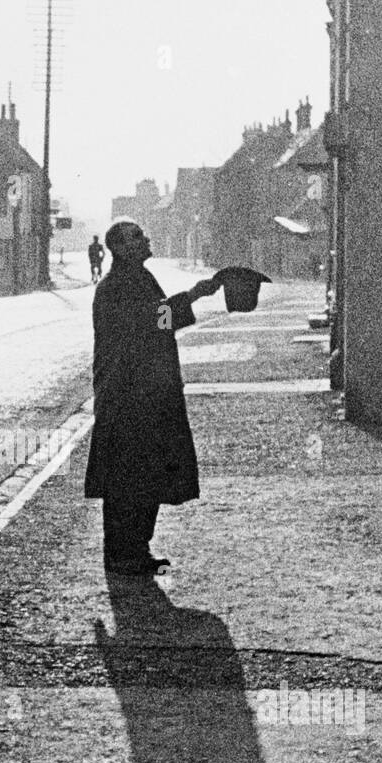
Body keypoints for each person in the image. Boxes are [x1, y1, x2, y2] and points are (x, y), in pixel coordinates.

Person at [84, 217, 221, 575]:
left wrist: (196, 294)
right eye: (137, 237)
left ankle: (137, 549)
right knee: (126, 477)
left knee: (147, 473)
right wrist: (193, 295)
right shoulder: (115, 287)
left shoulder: (141, 279)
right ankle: (120, 554)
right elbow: (149, 323)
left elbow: (159, 321)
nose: (145, 240)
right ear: (120, 248)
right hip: (126, 396)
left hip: (150, 393)